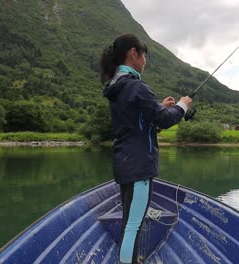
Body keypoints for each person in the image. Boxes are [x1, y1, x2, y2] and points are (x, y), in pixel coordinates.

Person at [100, 33, 192, 264]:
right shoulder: (136, 86)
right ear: (134, 54)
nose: (145, 62)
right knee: (133, 225)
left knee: (130, 220)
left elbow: (139, 121)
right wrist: (182, 105)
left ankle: (131, 259)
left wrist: (158, 106)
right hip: (139, 166)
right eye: (144, 57)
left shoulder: (119, 87)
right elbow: (163, 120)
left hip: (126, 162)